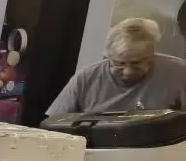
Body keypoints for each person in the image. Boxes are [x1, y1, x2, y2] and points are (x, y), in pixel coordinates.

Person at [46, 18, 186, 116]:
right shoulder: (85, 78)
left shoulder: (179, 72)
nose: (128, 71)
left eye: (137, 63)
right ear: (108, 57)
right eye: (120, 64)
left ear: (151, 54)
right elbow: (54, 124)